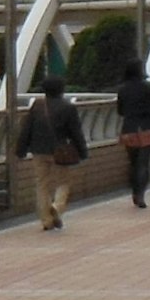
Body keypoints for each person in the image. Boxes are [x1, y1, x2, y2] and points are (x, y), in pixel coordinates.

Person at [18, 77, 88, 231]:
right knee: (63, 182)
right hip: (59, 152)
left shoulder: (37, 106)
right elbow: (76, 132)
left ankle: (46, 220)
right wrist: (82, 151)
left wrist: (21, 149)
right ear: (61, 89)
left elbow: (26, 129)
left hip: (38, 150)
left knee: (42, 184)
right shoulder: (68, 107)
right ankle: (57, 206)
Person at [111, 60, 150, 210]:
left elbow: (120, 111)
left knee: (133, 162)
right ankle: (140, 194)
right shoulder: (149, 87)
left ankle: (134, 191)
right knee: (143, 163)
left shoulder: (122, 89)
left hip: (129, 128)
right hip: (147, 127)